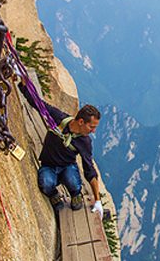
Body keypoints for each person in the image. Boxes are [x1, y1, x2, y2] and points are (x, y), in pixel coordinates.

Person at [17, 81, 102, 213]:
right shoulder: (59, 119)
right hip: (49, 165)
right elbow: (39, 105)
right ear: (81, 122)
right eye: (92, 127)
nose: (93, 131)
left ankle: (75, 194)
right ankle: (54, 194)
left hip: (67, 166)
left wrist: (97, 200)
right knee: (46, 183)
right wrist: (23, 85)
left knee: (73, 183)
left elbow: (89, 169)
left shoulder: (84, 142)